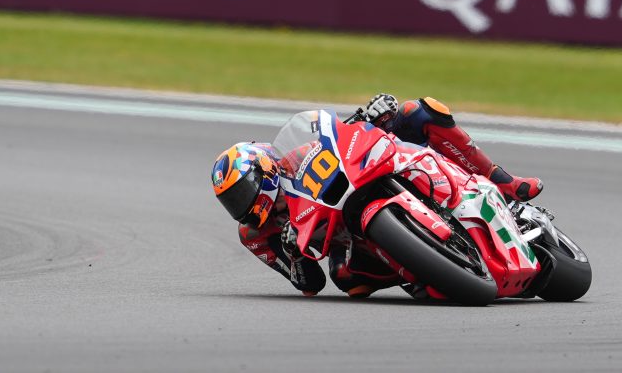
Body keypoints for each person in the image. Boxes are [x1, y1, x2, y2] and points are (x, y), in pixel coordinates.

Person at [209, 94, 543, 298]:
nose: (241, 205)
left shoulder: (293, 157)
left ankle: (504, 182)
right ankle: (419, 269)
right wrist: (295, 256)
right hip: (351, 238)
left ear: (264, 170)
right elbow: (309, 285)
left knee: (419, 111)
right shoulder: (255, 234)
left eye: (241, 192)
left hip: (373, 169)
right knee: (347, 280)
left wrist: (373, 115)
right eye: (231, 201)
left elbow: (336, 138)